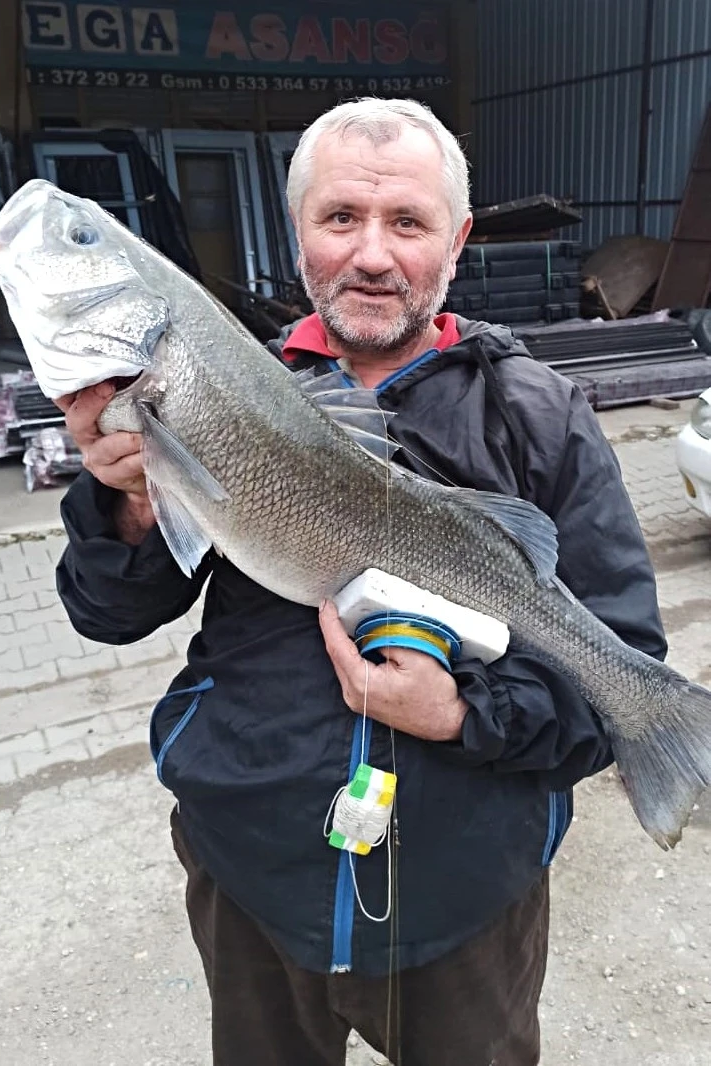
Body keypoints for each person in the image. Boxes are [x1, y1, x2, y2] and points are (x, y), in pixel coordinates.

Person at [54, 99, 666, 1066]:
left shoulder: (543, 417)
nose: (372, 255)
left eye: (407, 223)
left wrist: (464, 715)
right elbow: (106, 614)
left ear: (456, 241)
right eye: (341, 218)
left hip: (466, 904)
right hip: (253, 877)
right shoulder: (219, 387)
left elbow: (619, 667)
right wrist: (129, 501)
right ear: (299, 231)